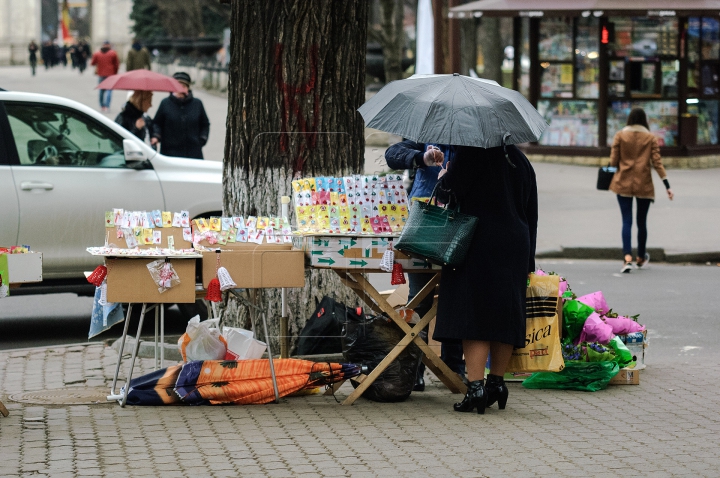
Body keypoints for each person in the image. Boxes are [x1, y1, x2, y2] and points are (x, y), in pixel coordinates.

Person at [433, 144, 538, 414]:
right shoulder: (520, 160)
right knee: (505, 313)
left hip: (477, 241)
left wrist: (444, 175)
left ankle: (476, 388)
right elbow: (532, 212)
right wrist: (529, 260)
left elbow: (450, 192)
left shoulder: (471, 155)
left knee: (474, 314)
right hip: (516, 244)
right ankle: (497, 384)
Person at [384, 140, 467, 391]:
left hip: (460, 221)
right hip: (425, 222)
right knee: (420, 297)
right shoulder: (426, 135)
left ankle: (454, 367)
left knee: (456, 297)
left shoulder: (471, 145)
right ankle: (414, 368)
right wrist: (422, 157)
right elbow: (392, 154)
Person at [609, 107, 674, 273]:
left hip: (623, 182)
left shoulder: (620, 135)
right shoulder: (650, 138)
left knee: (626, 221)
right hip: (644, 185)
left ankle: (627, 259)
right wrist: (667, 186)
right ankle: (641, 257)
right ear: (644, 120)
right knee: (641, 222)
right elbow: (657, 163)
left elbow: (613, 161)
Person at [151, 72, 210, 159]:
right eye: (177, 87)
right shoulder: (165, 103)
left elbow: (205, 124)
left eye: (183, 86)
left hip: (193, 154)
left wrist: (201, 140)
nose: (180, 90)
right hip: (170, 154)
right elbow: (157, 123)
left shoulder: (197, 104)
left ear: (188, 88)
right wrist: (156, 136)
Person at [91, 41, 119, 112]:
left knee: (101, 90)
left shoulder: (97, 53)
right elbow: (116, 64)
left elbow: (92, 63)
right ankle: (107, 106)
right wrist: (115, 72)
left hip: (101, 74)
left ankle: (102, 105)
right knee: (109, 90)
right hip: (110, 74)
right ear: (109, 45)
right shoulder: (113, 53)